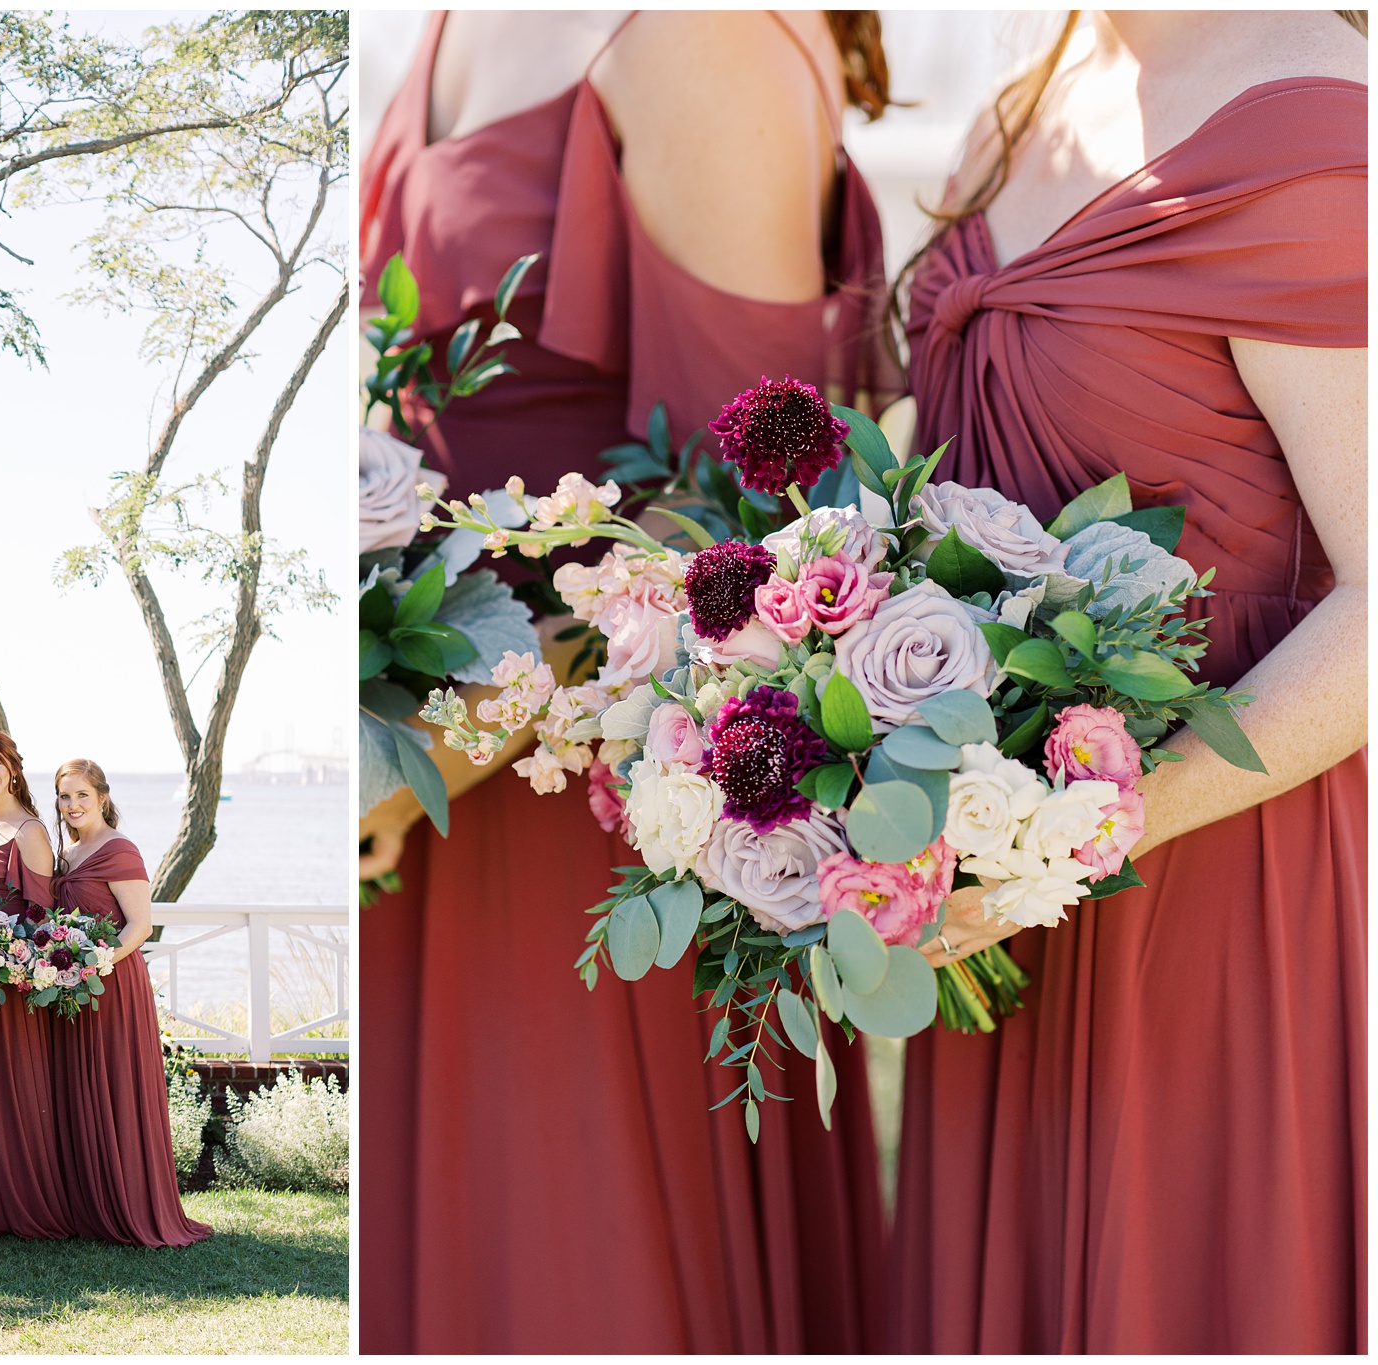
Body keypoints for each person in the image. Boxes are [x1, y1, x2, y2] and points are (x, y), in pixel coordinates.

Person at [358, 11, 898, 1350]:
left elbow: (745, 519)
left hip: (582, 815)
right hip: (421, 776)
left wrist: (431, 753)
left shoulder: (699, 41)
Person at [888, 10, 1365, 1352]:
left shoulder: (1318, 129)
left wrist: (1088, 833)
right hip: (995, 885)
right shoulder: (1023, 95)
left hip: (1226, 869)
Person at [52, 759, 210, 1248]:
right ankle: (90, 1202)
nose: (73, 805)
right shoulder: (67, 854)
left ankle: (131, 1203)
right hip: (74, 988)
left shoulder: (119, 849)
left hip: (113, 985)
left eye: (82, 795)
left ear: (101, 795)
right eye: (64, 797)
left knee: (116, 1084)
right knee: (81, 1087)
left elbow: (139, 927)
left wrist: (94, 964)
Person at [0, 731, 74, 1239]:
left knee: (12, 1083)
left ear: (13, 769)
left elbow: (43, 918)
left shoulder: (30, 831)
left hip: (12, 981)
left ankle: (23, 1199)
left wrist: (5, 957)